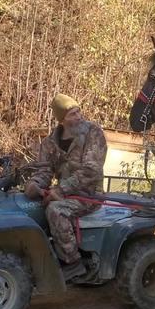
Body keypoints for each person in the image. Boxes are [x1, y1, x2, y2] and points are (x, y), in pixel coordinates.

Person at [25, 93, 107, 280]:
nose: (79, 116)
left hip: (89, 194)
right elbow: (44, 171)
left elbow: (91, 171)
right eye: (72, 114)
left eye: (78, 111)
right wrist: (35, 184)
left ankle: (73, 263)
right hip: (63, 193)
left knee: (56, 210)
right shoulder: (48, 144)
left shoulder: (93, 133)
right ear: (62, 120)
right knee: (29, 207)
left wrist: (61, 190)